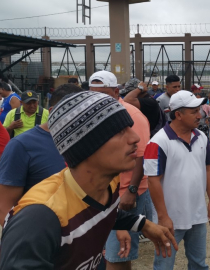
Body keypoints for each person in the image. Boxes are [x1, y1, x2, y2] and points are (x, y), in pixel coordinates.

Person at [0, 91, 178, 269]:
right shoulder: (40, 218)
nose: (135, 138)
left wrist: (143, 224)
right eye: (118, 131)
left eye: (129, 128)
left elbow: (103, 208)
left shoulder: (108, 183)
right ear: (85, 145)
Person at [144, 90, 210, 270]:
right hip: (170, 219)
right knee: (164, 266)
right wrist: (163, 217)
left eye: (199, 110)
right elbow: (153, 181)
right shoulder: (157, 142)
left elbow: (209, 168)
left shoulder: (201, 137)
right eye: (194, 112)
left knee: (199, 264)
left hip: (197, 215)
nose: (199, 115)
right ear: (178, 115)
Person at [89, 72, 153, 270]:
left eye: (103, 93)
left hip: (125, 192)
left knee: (118, 254)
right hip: (102, 192)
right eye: (93, 94)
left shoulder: (132, 116)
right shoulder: (95, 115)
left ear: (116, 91)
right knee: (104, 250)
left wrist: (130, 191)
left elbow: (142, 156)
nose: (97, 99)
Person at [0, 84, 82, 225]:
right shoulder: (20, 145)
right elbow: (5, 205)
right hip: (37, 233)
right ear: (53, 112)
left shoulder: (88, 141)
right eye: (75, 112)